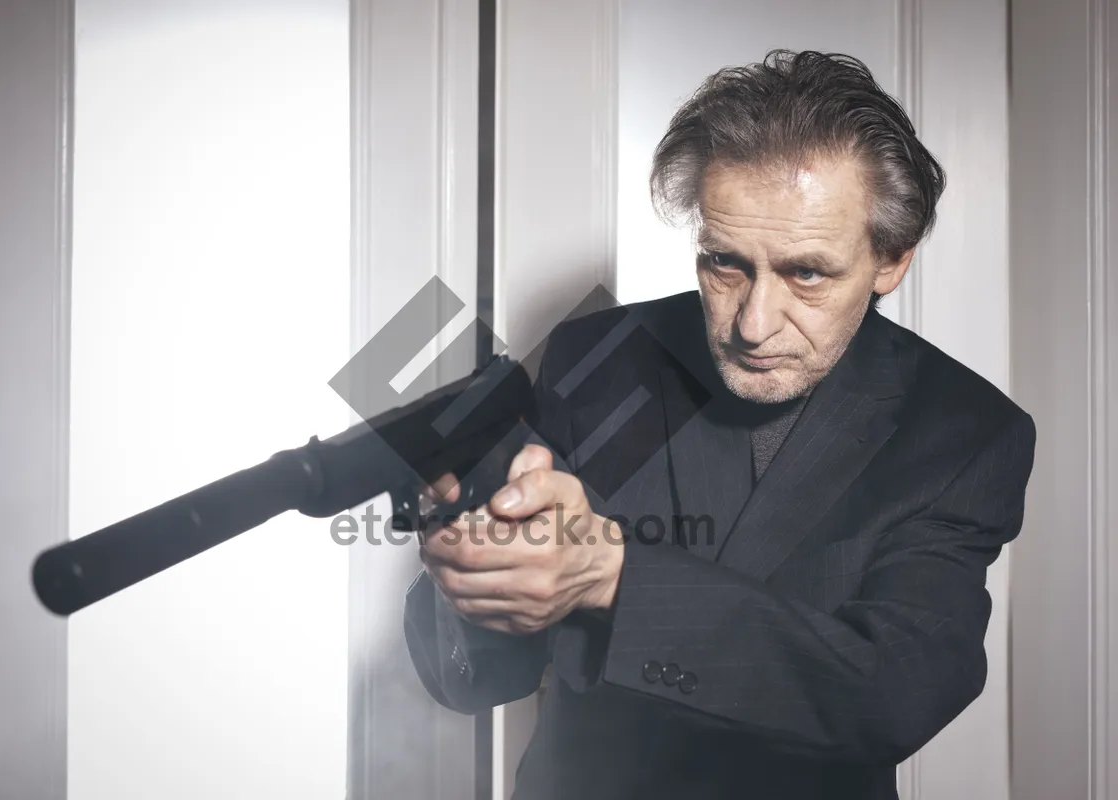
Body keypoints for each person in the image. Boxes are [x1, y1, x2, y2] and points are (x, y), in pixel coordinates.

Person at [403, 49, 1036, 800]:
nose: (754, 324)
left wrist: (616, 578)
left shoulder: (965, 430)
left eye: (806, 272)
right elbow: (489, 674)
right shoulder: (598, 359)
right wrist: (475, 568)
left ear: (891, 258)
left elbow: (894, 691)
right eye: (725, 264)